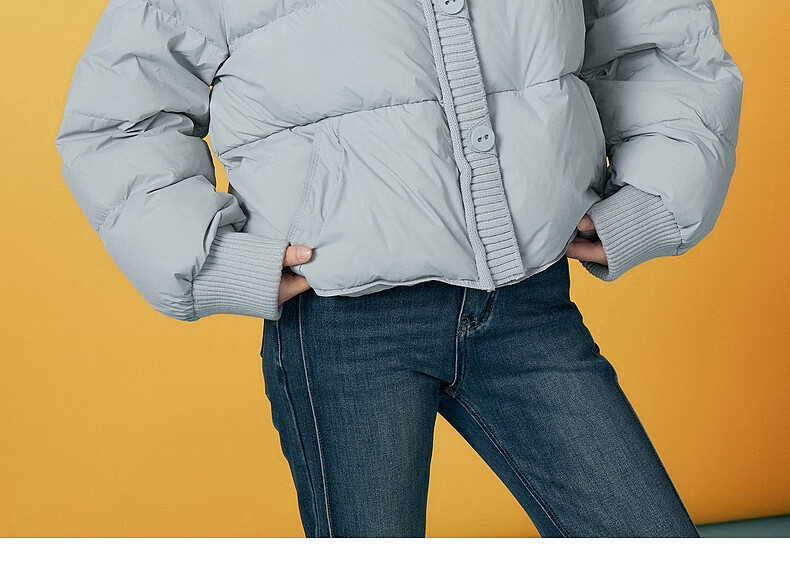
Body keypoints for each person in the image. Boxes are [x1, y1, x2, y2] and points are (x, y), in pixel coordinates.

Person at [55, 0, 743, 538]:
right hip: (344, 327)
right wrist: (213, 261)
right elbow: (121, 115)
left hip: (526, 302)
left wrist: (657, 197)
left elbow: (655, 33)